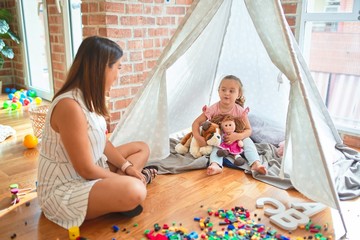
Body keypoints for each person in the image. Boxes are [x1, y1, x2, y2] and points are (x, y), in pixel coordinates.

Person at [37, 36, 157, 230]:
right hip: (66, 188)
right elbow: (85, 169)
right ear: (102, 68)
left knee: (142, 148)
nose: (119, 74)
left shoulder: (89, 98)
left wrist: (127, 168)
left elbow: (101, 141)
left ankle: (115, 194)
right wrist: (126, 179)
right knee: (136, 190)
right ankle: (119, 194)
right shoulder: (70, 106)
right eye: (117, 67)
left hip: (93, 169)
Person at [192, 74, 267, 175]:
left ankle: (255, 163)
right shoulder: (213, 109)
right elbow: (196, 123)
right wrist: (198, 137)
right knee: (216, 146)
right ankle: (215, 165)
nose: (226, 93)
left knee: (248, 142)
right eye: (223, 90)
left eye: (231, 91)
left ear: (238, 94)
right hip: (220, 138)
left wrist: (238, 136)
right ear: (218, 91)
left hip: (237, 138)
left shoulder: (240, 111)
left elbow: (249, 130)